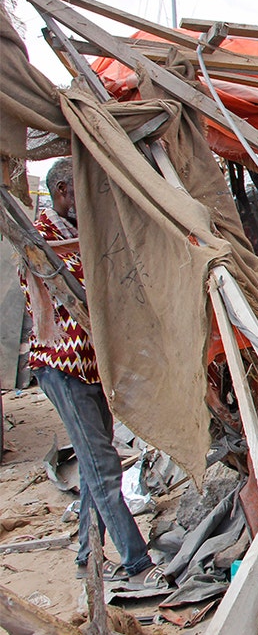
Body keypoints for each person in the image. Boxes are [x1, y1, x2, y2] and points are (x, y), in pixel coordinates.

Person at [19, 158, 160, 588]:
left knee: (93, 462)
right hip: (63, 368)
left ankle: (87, 551)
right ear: (63, 191)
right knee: (102, 466)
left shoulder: (74, 234)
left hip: (89, 366)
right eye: (79, 193)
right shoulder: (40, 238)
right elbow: (79, 294)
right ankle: (136, 561)